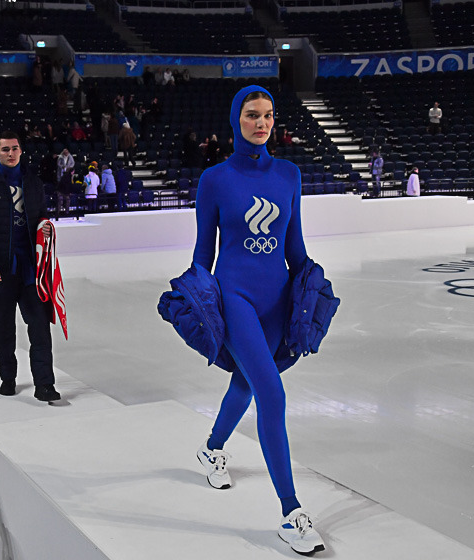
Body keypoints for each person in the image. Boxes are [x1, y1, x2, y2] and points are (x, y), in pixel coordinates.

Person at [190, 86, 325, 555]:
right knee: (271, 392)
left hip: (277, 299)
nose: (261, 123)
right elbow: (203, 253)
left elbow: (294, 248)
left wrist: (314, 290)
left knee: (246, 384)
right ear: (236, 120)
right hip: (236, 297)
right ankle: (291, 512)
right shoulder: (215, 179)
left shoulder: (289, 174)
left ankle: (211, 448)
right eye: (252, 115)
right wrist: (195, 301)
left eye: (267, 115)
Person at [0, 131, 59, 401]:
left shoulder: (33, 182)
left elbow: (41, 216)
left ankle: (45, 384)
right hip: (1, 271)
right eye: (5, 149)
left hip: (32, 271)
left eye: (15, 148)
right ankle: (8, 377)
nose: (11, 153)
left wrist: (45, 230)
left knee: (40, 328)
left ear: (21, 151)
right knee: (3, 329)